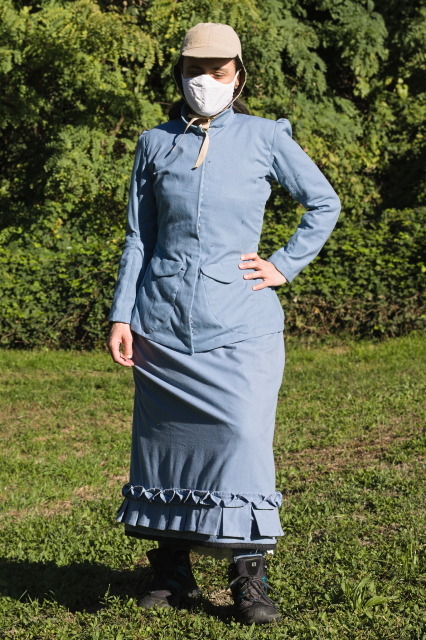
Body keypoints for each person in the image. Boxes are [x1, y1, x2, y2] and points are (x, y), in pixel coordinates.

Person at [107, 22, 341, 625]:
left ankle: (248, 576)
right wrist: (121, 313)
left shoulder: (266, 137)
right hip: (161, 325)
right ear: (179, 74)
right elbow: (140, 237)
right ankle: (172, 570)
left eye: (218, 69)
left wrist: (283, 265)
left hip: (241, 324)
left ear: (239, 73)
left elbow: (323, 202)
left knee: (241, 439)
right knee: (166, 451)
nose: (205, 80)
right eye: (194, 70)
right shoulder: (154, 143)